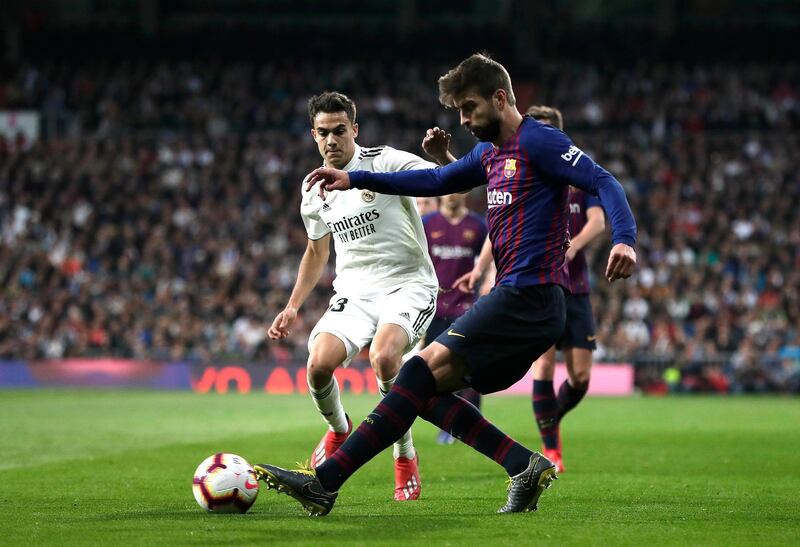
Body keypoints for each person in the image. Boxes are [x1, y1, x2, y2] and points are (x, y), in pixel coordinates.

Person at [256, 54, 637, 516]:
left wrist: (625, 240)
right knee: (422, 390)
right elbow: (436, 179)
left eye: (470, 108)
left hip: (531, 296)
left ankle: (326, 482)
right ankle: (522, 465)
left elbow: (603, 180)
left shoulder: (538, 141)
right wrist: (352, 178)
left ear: (500, 98)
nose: (463, 119)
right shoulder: (489, 152)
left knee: (412, 374)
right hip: (517, 300)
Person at [267, 91, 439, 502]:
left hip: (408, 282)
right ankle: (339, 430)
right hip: (355, 291)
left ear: (354, 130)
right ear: (313, 134)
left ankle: (404, 452)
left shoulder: (384, 161)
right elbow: (316, 251)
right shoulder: (313, 191)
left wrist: (443, 155)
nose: (331, 140)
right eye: (323, 133)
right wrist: (292, 305)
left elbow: (441, 181)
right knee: (318, 366)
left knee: (384, 358)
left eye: (340, 131)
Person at [459, 105, 607, 472]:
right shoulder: (522, 173)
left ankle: (550, 418)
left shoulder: (575, 174)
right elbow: (499, 226)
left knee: (581, 377)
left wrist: (574, 245)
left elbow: (598, 220)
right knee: (543, 365)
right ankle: (552, 449)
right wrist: (480, 269)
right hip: (539, 283)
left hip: (576, 287)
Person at [420, 189, 487, 444]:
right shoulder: (428, 224)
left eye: (457, 190)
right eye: (446, 190)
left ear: (465, 193)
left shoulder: (477, 226)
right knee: (435, 372)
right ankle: (449, 422)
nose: (451, 195)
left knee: (469, 367)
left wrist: (489, 278)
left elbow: (491, 257)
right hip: (434, 308)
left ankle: (473, 421)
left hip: (466, 307)